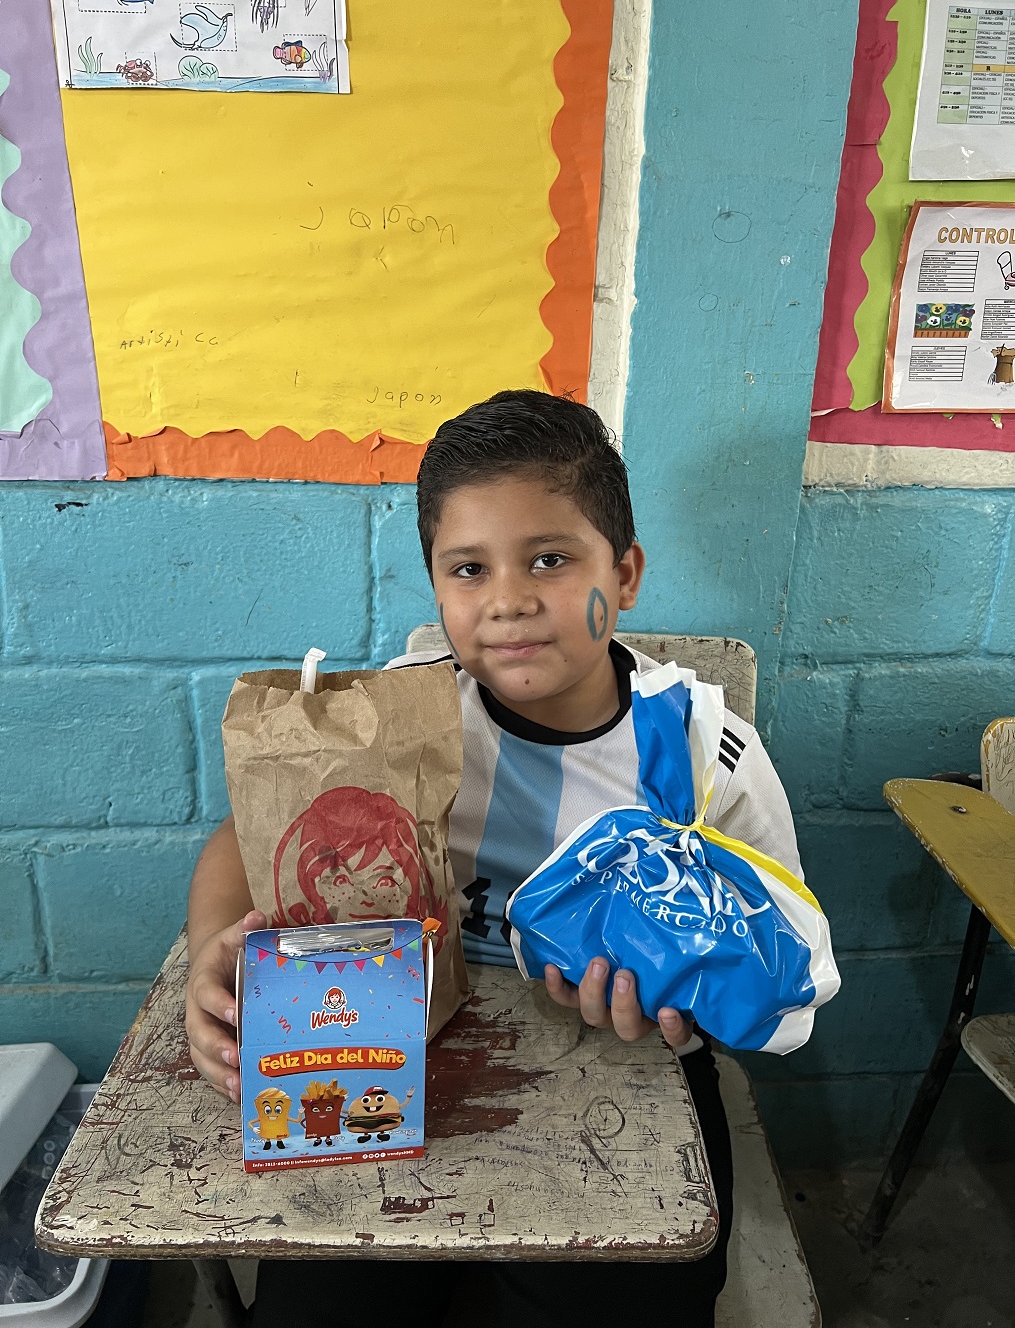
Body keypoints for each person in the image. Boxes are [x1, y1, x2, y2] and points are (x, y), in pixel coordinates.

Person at [185, 389, 803, 1327]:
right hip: (393, 1060)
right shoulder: (388, 723)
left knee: (647, 1296)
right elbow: (241, 840)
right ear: (436, 587)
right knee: (316, 1306)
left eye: (549, 559)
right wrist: (212, 962)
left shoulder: (705, 754)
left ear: (624, 572)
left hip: (629, 1083)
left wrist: (684, 1016)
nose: (508, 600)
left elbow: (778, 960)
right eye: (468, 568)